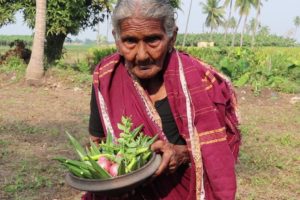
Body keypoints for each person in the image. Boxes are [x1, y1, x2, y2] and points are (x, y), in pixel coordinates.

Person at [83, 0, 241, 199]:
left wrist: (182, 153)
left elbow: (219, 149)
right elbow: (98, 143)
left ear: (171, 37)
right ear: (117, 39)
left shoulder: (200, 81)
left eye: (153, 40)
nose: (141, 55)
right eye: (130, 41)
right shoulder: (107, 77)